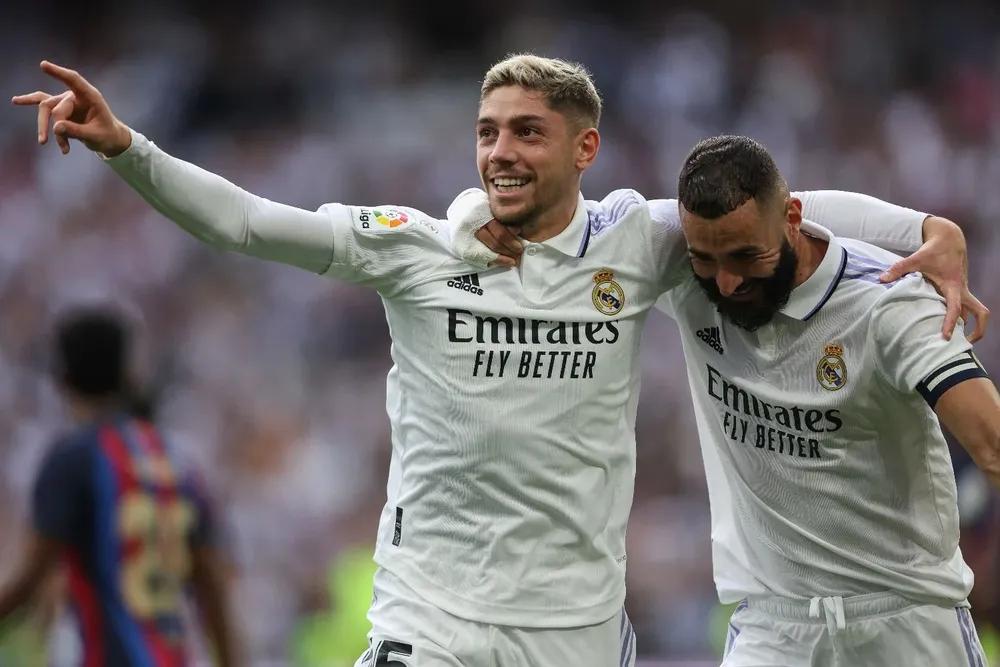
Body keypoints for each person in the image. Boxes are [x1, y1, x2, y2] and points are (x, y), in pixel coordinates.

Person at [10, 56, 984, 667]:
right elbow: (251, 225)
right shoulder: (413, 245)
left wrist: (924, 228)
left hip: (573, 633)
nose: (500, 152)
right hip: (432, 618)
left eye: (526, 131)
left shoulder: (635, 243)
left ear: (585, 146)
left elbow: (786, 205)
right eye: (486, 132)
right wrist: (128, 148)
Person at [458, 134, 998, 665]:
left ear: (791, 220)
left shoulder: (889, 303)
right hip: (774, 627)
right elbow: (565, 221)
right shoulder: (687, 269)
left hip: (906, 620)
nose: (728, 282)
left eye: (747, 256)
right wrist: (471, 212)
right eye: (706, 260)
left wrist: (926, 229)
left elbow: (992, 446)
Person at [0, 306, 238, 667]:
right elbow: (212, 585)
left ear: (61, 378)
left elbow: (31, 581)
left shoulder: (72, 460)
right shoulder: (176, 460)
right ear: (127, 373)